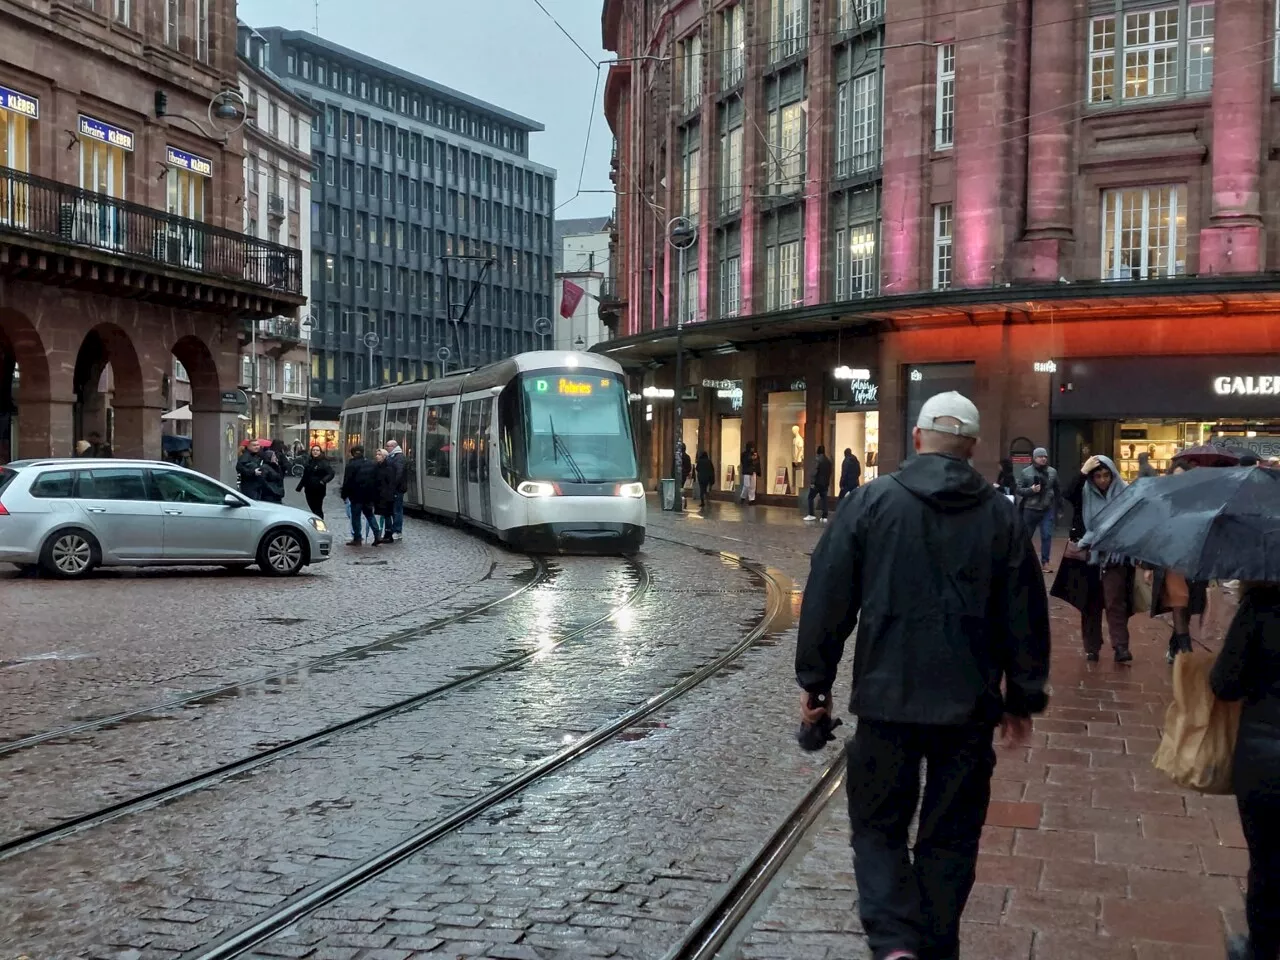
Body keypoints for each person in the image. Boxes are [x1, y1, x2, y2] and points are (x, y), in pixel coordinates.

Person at [796, 391, 1050, 960]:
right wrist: (1023, 697)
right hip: (968, 708)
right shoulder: (1000, 515)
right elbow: (1025, 613)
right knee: (951, 838)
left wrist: (816, 683)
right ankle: (935, 947)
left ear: (917, 439)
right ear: (974, 448)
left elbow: (827, 597)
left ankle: (894, 946)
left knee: (879, 828)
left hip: (886, 704)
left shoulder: (869, 503)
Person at [1211, 581, 1280, 960]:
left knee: (1268, 864)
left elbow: (1225, 683)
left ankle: (1261, 950)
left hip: (1265, 761)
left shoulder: (1262, 602)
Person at [1051, 454, 1134, 663]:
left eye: (1107, 475)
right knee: (1090, 602)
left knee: (1115, 601)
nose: (1103, 480)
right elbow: (1066, 494)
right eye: (1098, 476)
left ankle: (1121, 647)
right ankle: (1092, 647)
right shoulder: (1084, 492)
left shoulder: (1124, 492)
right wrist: (1082, 473)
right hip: (1087, 554)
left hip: (1115, 554)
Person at [1147, 462, 1207, 664]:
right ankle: (1186, 651)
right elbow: (1155, 534)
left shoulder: (1200, 502)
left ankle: (1174, 646)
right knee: (1179, 604)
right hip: (1171, 562)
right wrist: (1148, 566)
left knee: (1188, 607)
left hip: (1194, 562)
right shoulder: (1163, 502)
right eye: (1176, 476)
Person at [1016, 447, 1060, 572]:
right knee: (1026, 536)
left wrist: (1059, 507)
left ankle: (1045, 562)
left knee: (1047, 535)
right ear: (1034, 458)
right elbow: (1018, 489)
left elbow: (1057, 489)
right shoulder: (1026, 472)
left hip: (1047, 509)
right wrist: (1031, 490)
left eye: (1045, 457)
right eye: (1040, 457)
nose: (1043, 459)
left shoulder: (1052, 472)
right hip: (1030, 509)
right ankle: (1022, 560)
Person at [339, 445, 380, 546]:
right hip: (368, 496)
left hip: (356, 496)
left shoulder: (351, 465)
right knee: (370, 515)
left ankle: (357, 538)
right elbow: (376, 480)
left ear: (352, 453)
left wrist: (344, 495)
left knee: (356, 517)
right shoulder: (371, 464)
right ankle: (377, 534)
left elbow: (347, 481)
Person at [297, 444, 335, 518]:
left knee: (317, 508)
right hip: (308, 489)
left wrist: (323, 481)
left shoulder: (324, 462)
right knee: (312, 507)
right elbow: (305, 475)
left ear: (320, 452)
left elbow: (331, 473)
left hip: (319, 489)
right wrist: (300, 487)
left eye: (317, 450)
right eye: (313, 450)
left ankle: (320, 523)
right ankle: (317, 522)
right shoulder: (309, 461)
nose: (315, 452)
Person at [372, 447, 398, 545]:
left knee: (387, 515)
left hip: (386, 495)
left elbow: (391, 483)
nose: (377, 456)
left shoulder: (389, 467)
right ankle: (386, 533)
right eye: (377, 454)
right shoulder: (378, 466)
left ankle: (388, 534)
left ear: (384, 456)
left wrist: (389, 495)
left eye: (379, 455)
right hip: (380, 494)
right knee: (385, 514)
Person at [385, 439, 409, 541]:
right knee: (395, 510)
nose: (387, 448)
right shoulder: (394, 457)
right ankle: (394, 530)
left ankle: (397, 531)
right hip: (395, 488)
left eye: (388, 446)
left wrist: (392, 486)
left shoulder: (398, 457)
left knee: (397, 510)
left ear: (393, 446)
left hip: (397, 489)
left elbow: (399, 473)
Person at [804, 444, 833, 522]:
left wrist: (812, 482)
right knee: (824, 499)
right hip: (825, 484)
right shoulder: (828, 461)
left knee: (810, 497)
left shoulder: (818, 460)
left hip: (817, 484)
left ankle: (811, 514)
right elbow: (829, 473)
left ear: (818, 452)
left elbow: (814, 472)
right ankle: (824, 516)